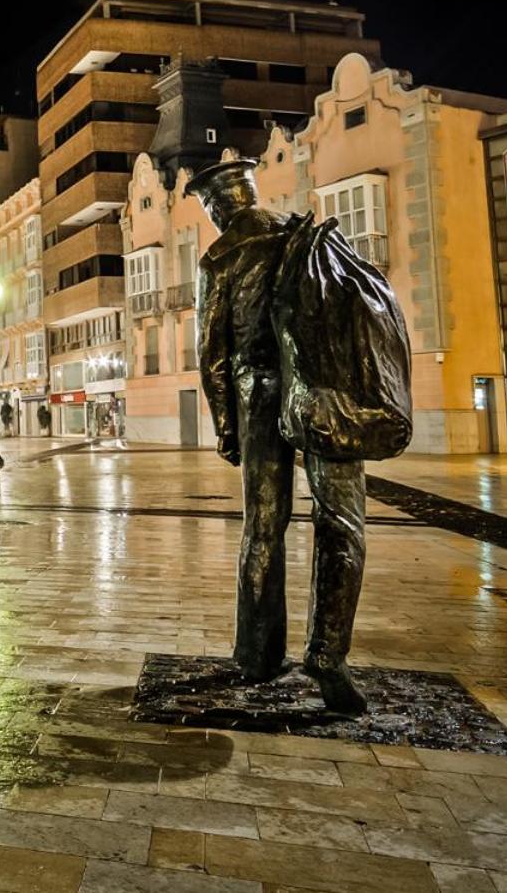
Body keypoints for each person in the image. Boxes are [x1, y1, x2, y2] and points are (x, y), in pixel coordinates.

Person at [190, 158, 368, 714]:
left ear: (217, 207)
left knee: (264, 527)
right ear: (253, 192)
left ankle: (258, 654)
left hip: (261, 394)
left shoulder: (220, 256)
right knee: (342, 522)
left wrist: (226, 427)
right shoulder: (305, 234)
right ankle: (328, 657)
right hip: (323, 388)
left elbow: (212, 356)